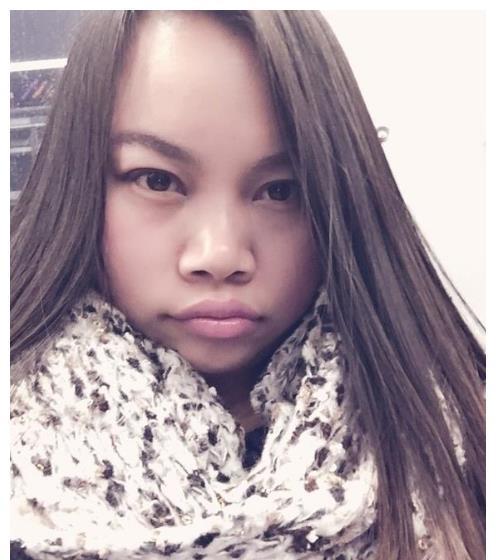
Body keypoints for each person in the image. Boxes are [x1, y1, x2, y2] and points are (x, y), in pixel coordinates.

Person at [10, 10, 485, 560]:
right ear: (78, 182)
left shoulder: (463, 449)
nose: (220, 255)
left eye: (280, 190)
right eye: (158, 180)